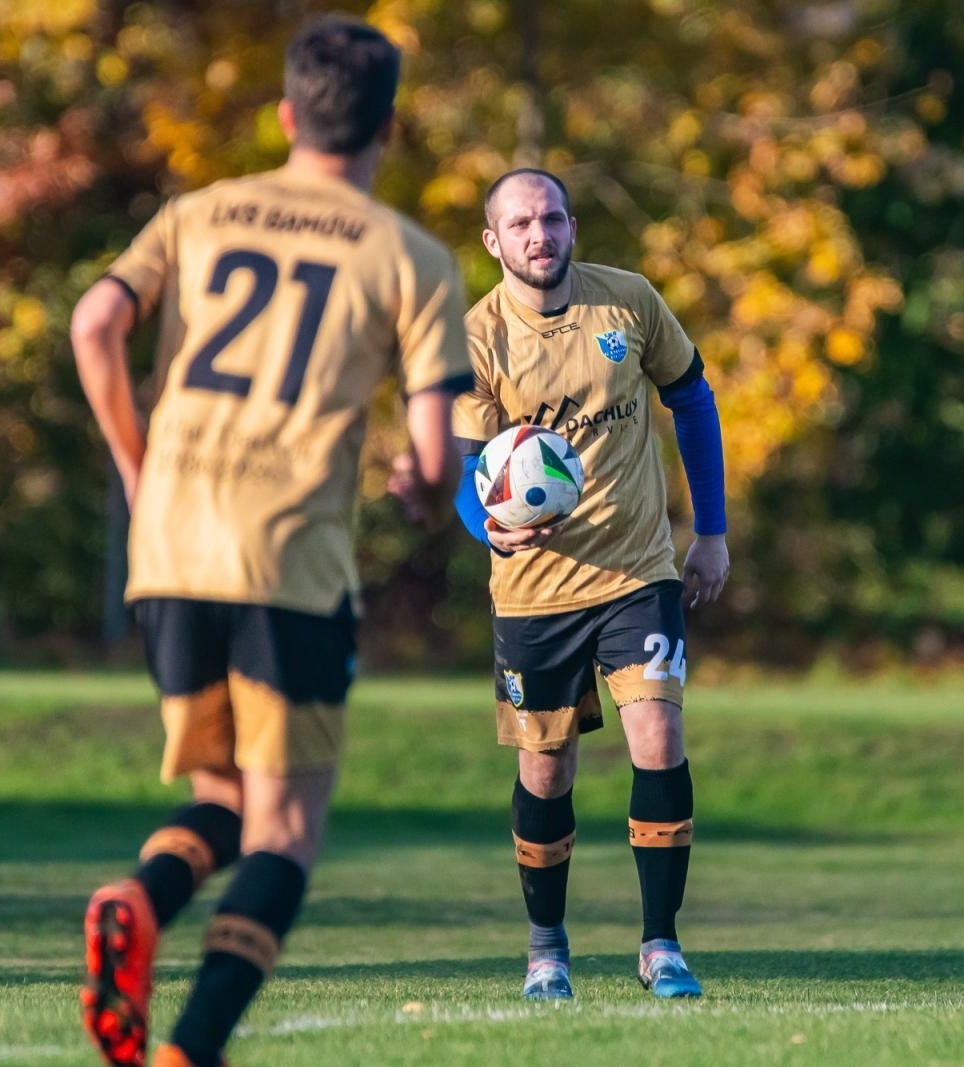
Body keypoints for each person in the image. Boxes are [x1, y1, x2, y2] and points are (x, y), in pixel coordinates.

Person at [68, 17, 471, 1067]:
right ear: (388, 125)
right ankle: (189, 1047)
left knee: (223, 796)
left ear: (287, 114)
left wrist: (135, 460)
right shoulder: (409, 255)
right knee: (287, 825)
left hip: (169, 544)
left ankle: (140, 896)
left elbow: (92, 324)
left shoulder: (196, 212)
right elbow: (436, 455)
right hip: (286, 559)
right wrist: (423, 490)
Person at [451, 168, 730, 1000]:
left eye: (554, 218)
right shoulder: (473, 339)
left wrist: (710, 531)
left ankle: (661, 944)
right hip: (534, 591)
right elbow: (468, 476)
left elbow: (694, 399)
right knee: (548, 770)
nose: (541, 234)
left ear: (572, 226)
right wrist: (489, 525)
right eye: (521, 224)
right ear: (494, 242)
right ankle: (547, 949)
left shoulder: (630, 302)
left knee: (660, 738)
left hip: (639, 571)